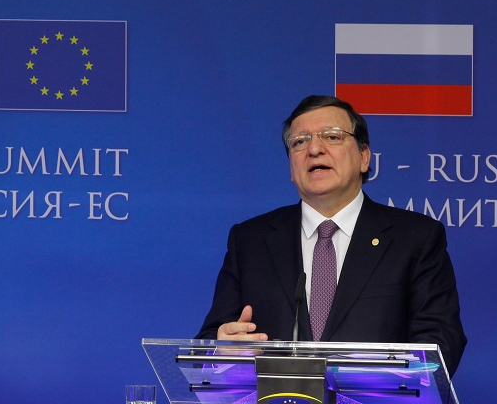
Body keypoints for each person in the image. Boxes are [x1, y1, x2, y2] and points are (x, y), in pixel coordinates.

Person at [196, 95, 467, 374]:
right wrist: (219, 351)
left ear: (364, 157)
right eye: (299, 141)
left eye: (332, 137)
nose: (314, 149)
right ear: (291, 167)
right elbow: (208, 342)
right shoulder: (250, 240)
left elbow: (441, 342)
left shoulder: (415, 238)